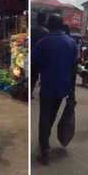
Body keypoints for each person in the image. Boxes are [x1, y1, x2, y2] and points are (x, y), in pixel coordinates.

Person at [32, 14, 77, 165]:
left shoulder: (43, 43)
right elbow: (74, 68)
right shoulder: (72, 43)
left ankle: (44, 149)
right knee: (52, 114)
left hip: (47, 85)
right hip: (63, 87)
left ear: (49, 25)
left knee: (44, 116)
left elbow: (35, 62)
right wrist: (72, 91)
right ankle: (45, 143)